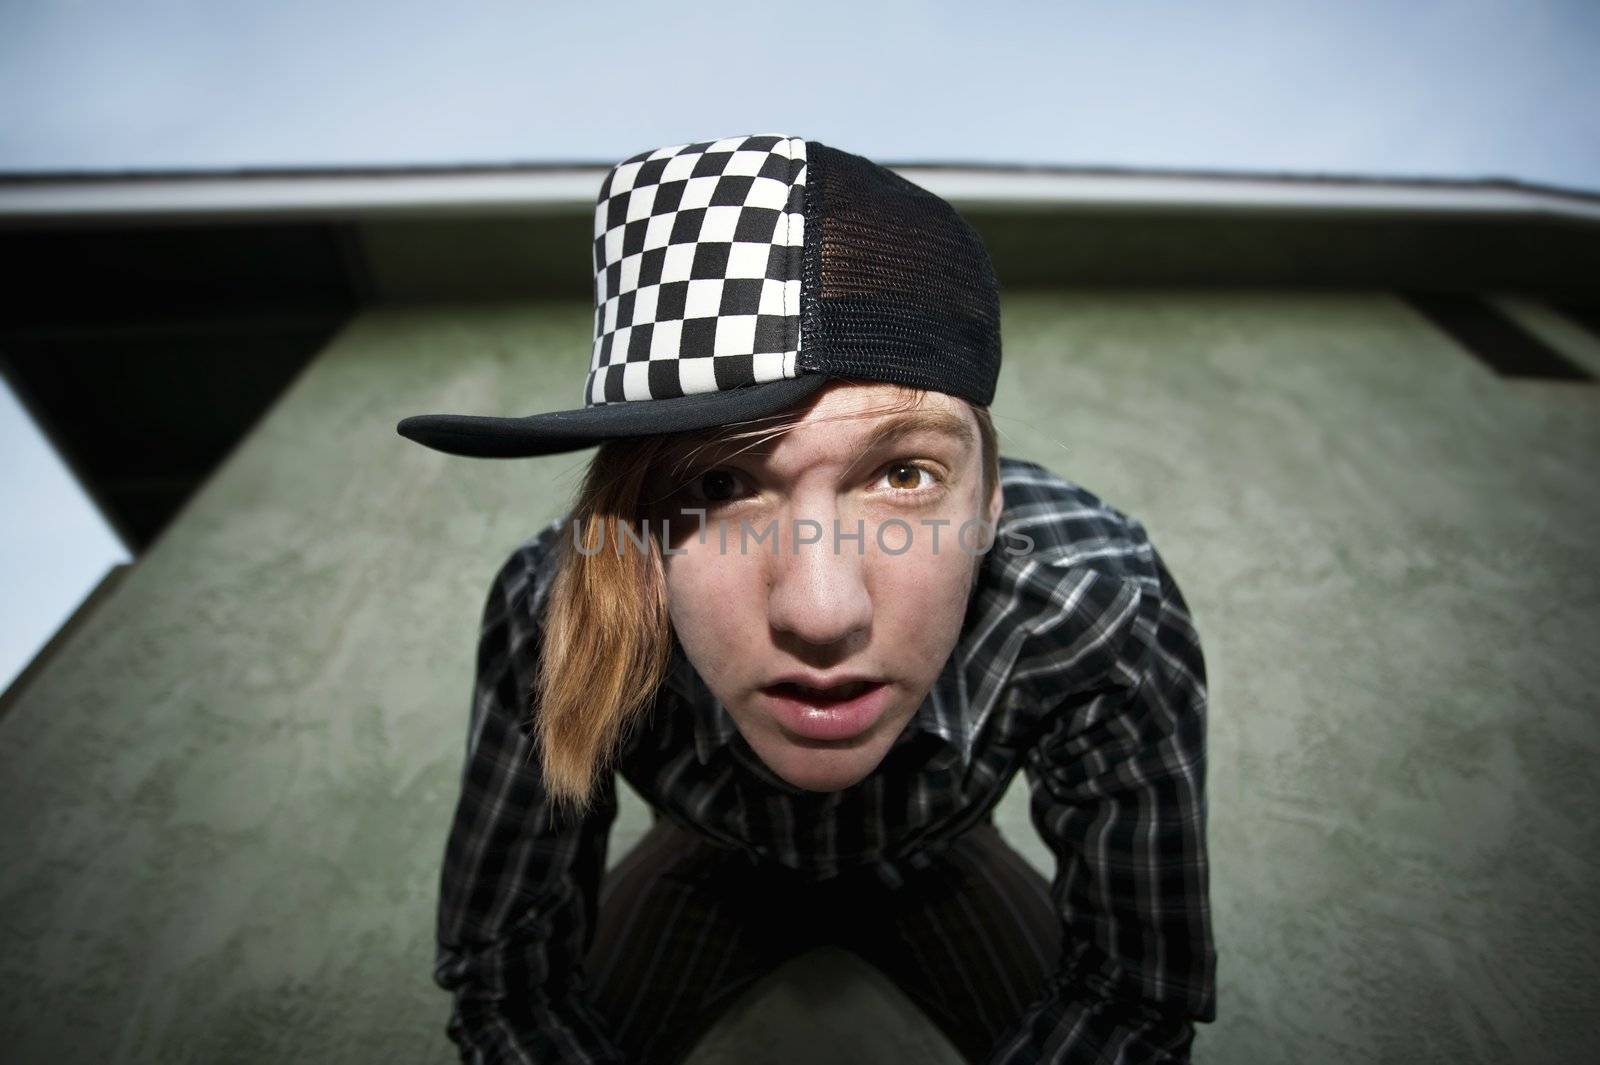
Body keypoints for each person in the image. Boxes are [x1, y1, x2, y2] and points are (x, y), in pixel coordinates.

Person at [397, 133, 1217, 1065]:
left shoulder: (1098, 605)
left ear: (992, 498)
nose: (822, 613)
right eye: (715, 486)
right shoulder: (550, 611)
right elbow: (509, 984)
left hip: (937, 860)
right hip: (710, 863)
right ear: (629, 513)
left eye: (904, 472)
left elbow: (1133, 992)